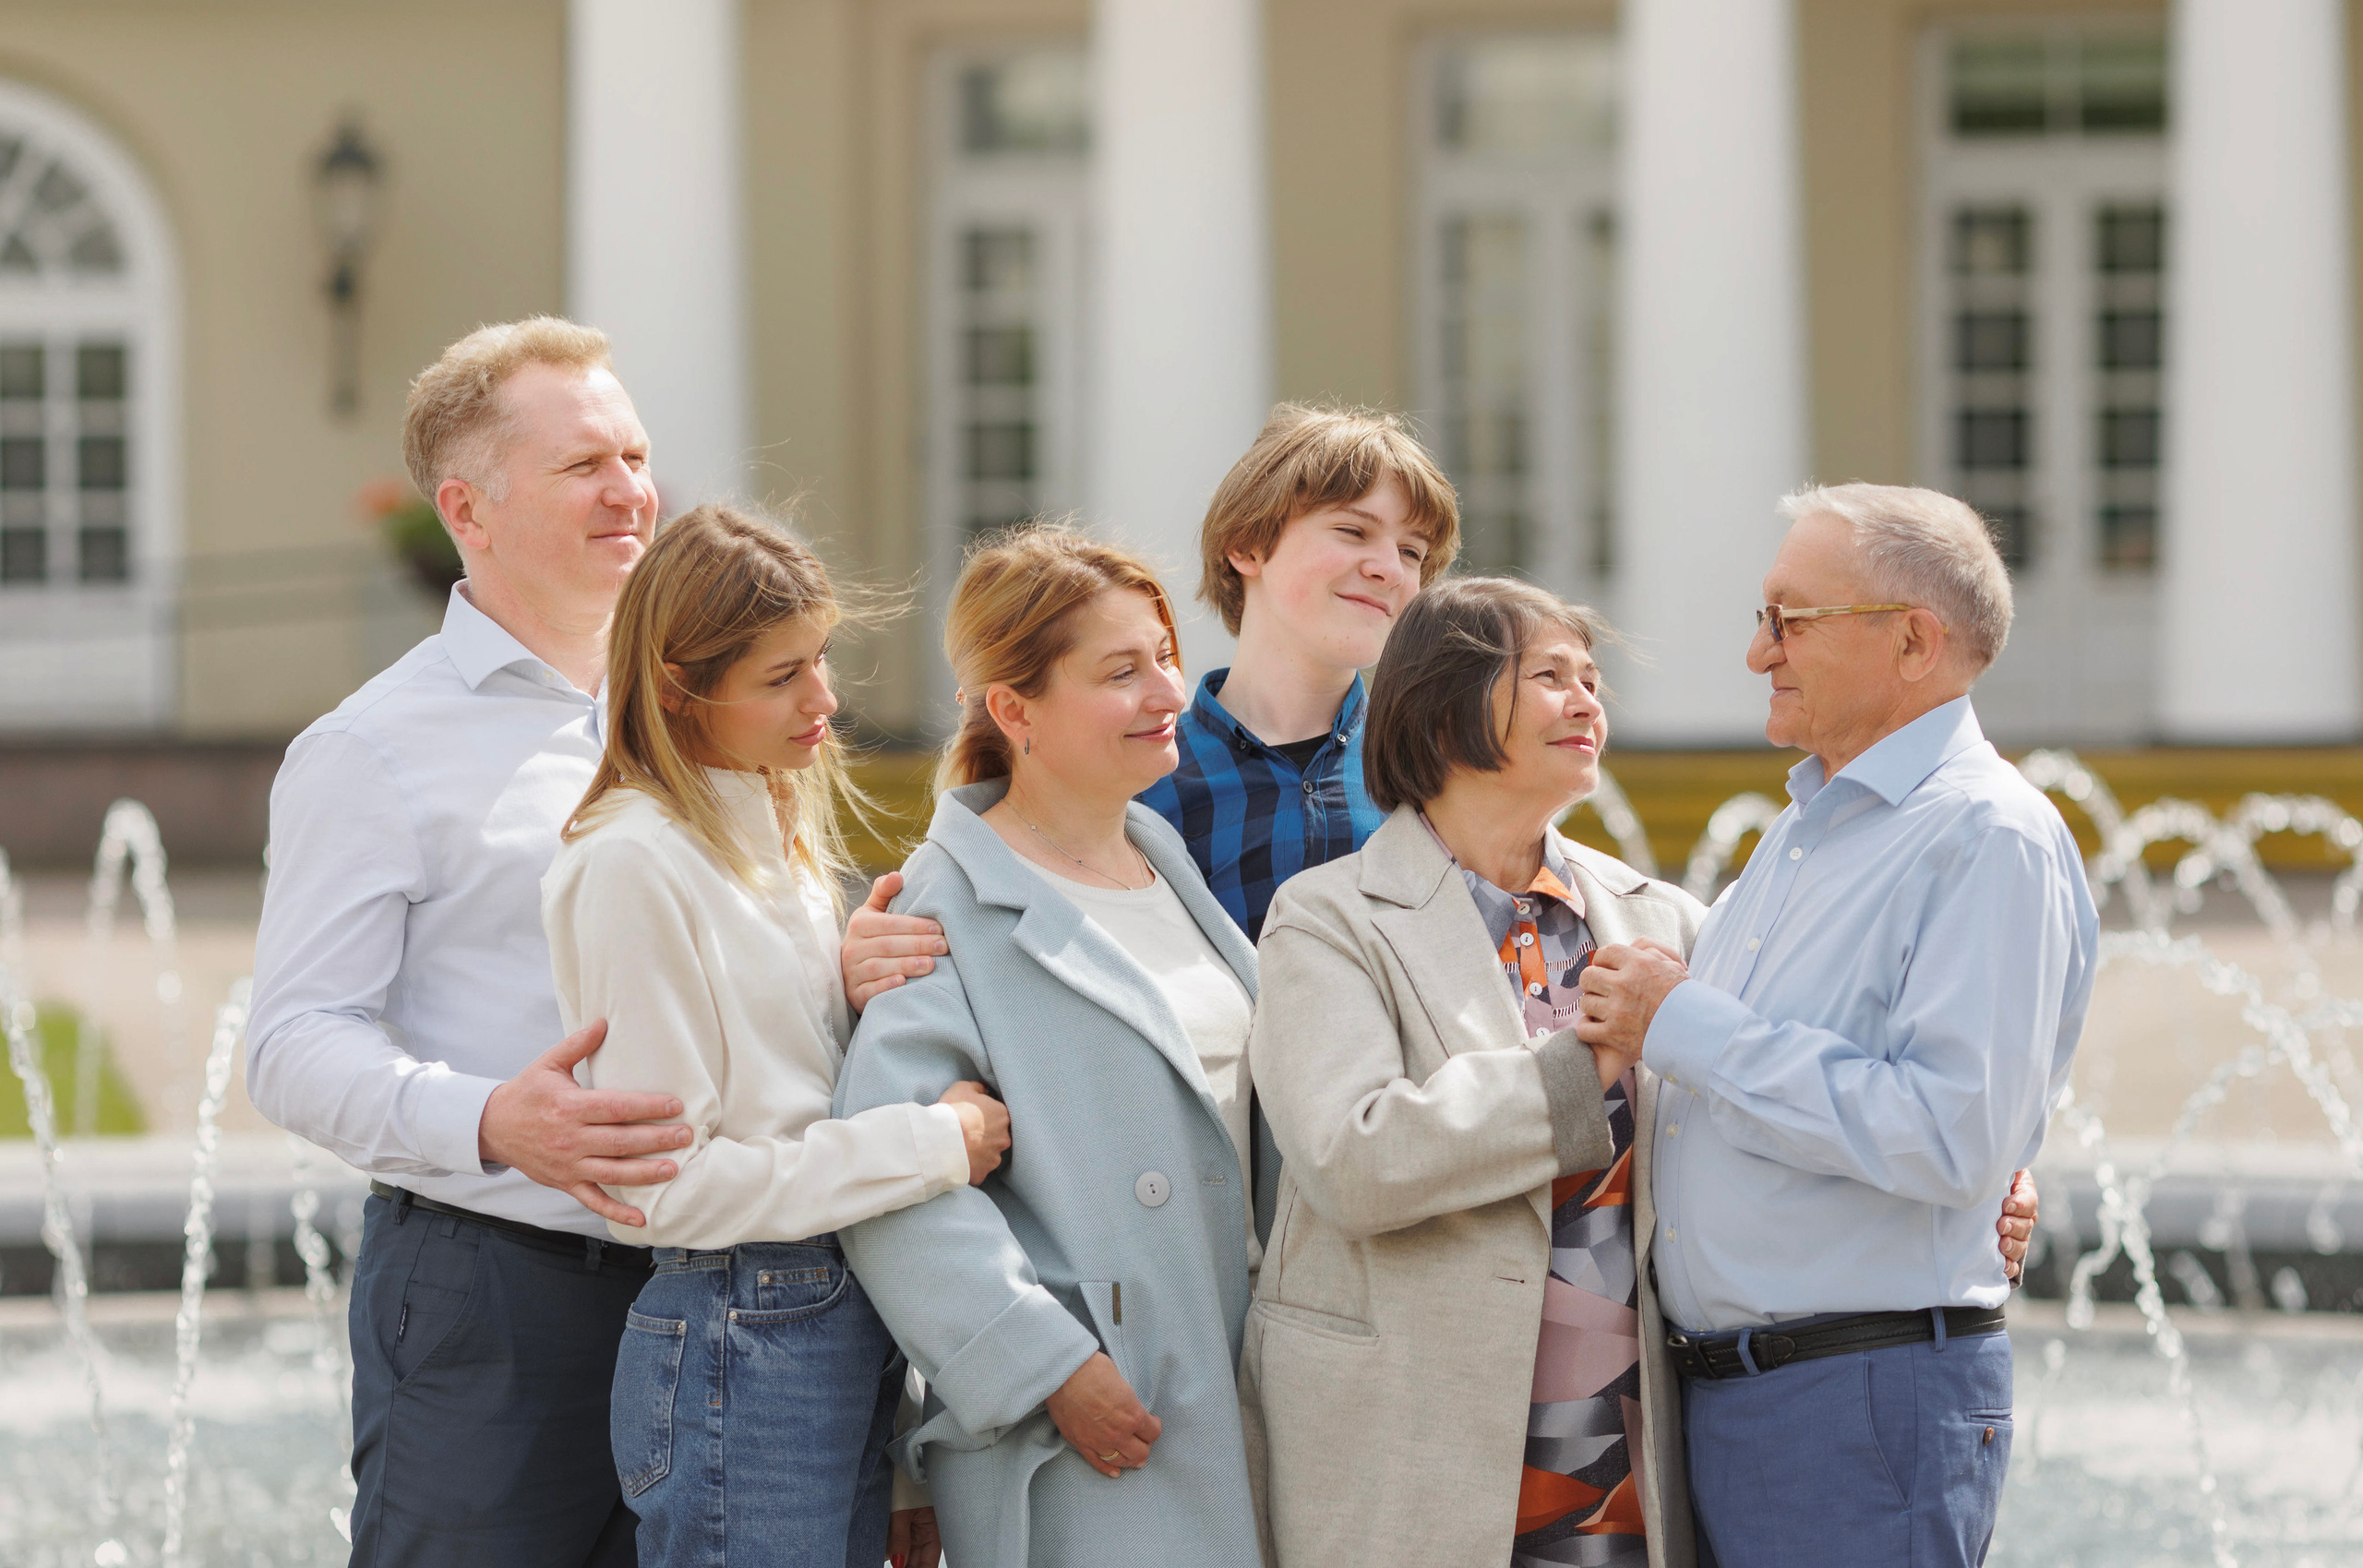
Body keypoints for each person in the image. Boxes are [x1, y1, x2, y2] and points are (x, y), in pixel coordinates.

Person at [1575, 484, 2099, 1568]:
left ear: (1912, 641)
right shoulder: (1805, 832)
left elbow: (1951, 1135)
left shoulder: (1984, 835)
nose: (1758, 652)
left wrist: (1682, 1022)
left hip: (1855, 1400)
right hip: (1752, 1398)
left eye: (1788, 619)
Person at [248, 318, 697, 1566]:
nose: (632, 490)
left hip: (730, 1275)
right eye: (585, 465)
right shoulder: (371, 747)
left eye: (637, 453)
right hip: (498, 1294)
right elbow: (290, 1043)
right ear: (469, 505)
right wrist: (495, 1120)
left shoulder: (708, 713)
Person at [542, 504, 1012, 1568]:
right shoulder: (630, 863)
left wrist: (848, 991)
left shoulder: (771, 835)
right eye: (779, 676)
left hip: (826, 1324)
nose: (825, 700)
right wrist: (932, 1145)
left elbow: (790, 1091)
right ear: (675, 686)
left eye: (821, 659)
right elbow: (668, 1189)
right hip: (739, 1337)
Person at [1241, 577, 1699, 1568]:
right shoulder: (1328, 918)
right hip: (1405, 1446)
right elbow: (1350, 1156)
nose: (1587, 702)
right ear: (1443, 706)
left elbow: (1767, 1097)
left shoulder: (1661, 921)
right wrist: (1583, 1068)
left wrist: (1981, 1191)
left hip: (1620, 1452)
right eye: (1549, 677)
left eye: (1592, 680)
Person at [833, 526, 1265, 1567]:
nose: (1167, 690)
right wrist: (1043, 1364)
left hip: (1235, 1375)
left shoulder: (1168, 868)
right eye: (1121, 671)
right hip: (1096, 1416)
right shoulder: (942, 904)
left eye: (1165, 654)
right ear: (1014, 710)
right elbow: (892, 1169)